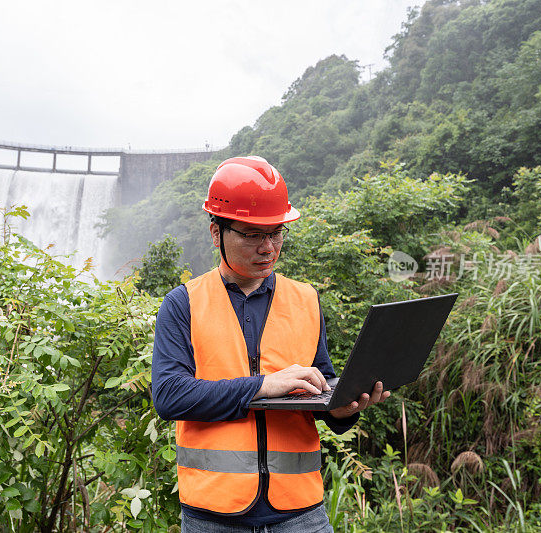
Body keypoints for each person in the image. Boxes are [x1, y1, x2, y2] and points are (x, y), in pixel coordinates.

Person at [152, 156, 390, 532]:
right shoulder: (183, 304)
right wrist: (263, 385)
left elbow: (320, 384)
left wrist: (341, 409)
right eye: (251, 234)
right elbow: (169, 396)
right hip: (214, 515)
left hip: (301, 512)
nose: (268, 248)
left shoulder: (305, 300)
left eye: (275, 232)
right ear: (217, 233)